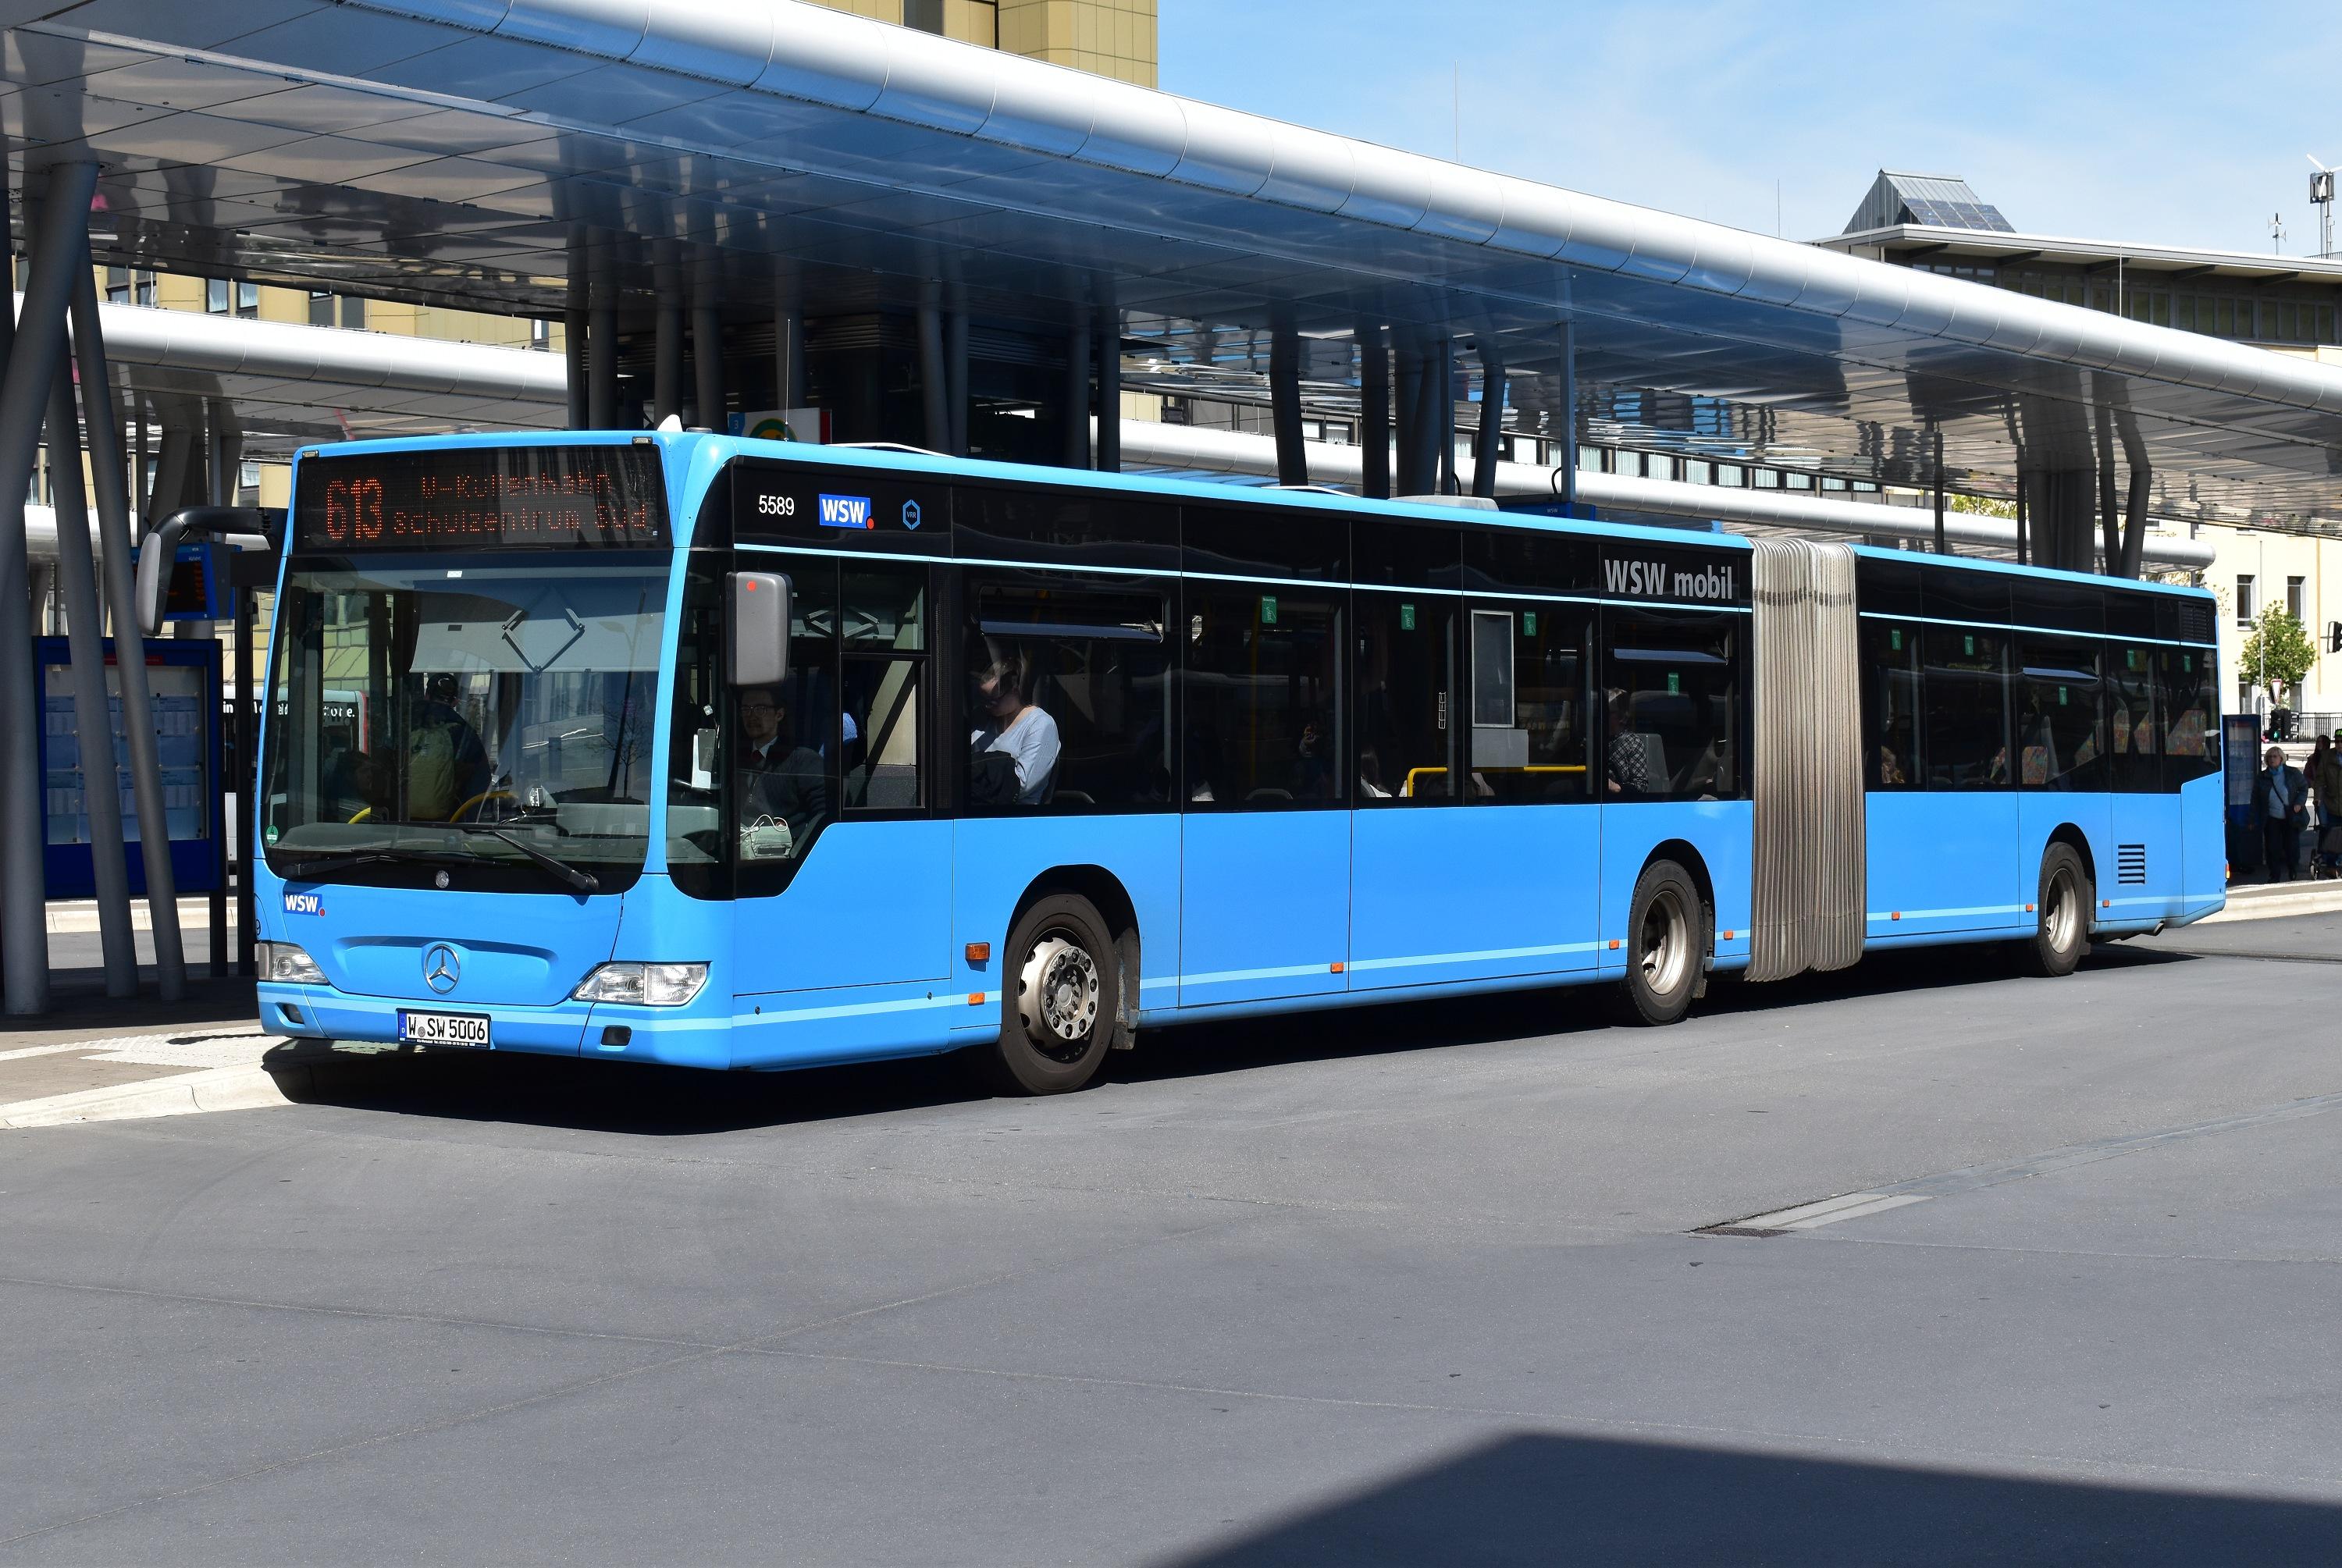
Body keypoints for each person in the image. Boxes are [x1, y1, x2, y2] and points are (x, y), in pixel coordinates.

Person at [735, 684, 828, 843]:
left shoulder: (802, 760)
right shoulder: (734, 759)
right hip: (737, 852)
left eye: (760, 709)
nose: (751, 716)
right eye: (746, 709)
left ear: (779, 714)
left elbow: (824, 816)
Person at [970, 645, 1060, 805]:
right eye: (984, 700)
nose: (987, 706)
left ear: (1015, 690)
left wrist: (981, 770)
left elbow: (1023, 785)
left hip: (1018, 814)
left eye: (994, 700)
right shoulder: (983, 719)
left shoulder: (1040, 724)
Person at [405, 672, 491, 821]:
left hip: (402, 821)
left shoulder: (407, 724)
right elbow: (480, 781)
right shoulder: (464, 733)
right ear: (455, 702)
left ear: (427, 695)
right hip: (449, 821)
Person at [2255, 745, 2310, 883]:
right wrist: (2252, 818)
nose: (2272, 759)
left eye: (2275, 756)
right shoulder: (2263, 776)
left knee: (2291, 846)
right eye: (2270, 757)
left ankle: (2292, 869)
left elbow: (2304, 788)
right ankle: (2274, 874)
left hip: (2289, 815)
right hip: (2271, 817)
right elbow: (2255, 798)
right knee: (2272, 847)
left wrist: (2299, 802)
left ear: (2281, 759)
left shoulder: (2292, 773)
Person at [2312, 735, 2342, 878]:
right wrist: (2318, 797)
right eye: (2337, 741)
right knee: (2332, 835)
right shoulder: (2327, 756)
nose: (2340, 744)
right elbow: (2319, 780)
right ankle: (2331, 866)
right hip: (2332, 803)